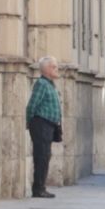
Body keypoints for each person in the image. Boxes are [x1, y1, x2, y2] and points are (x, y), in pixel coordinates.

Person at [26, 56, 64, 198]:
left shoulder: (50, 84)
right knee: (41, 156)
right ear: (47, 69)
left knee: (45, 156)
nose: (57, 69)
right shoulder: (41, 84)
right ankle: (38, 189)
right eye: (54, 67)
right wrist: (29, 122)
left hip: (49, 125)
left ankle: (41, 186)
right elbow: (32, 105)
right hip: (41, 124)